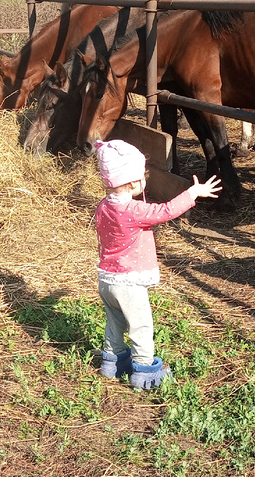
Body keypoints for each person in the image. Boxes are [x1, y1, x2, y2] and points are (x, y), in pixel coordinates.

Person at [94, 139, 221, 389]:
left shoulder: (103, 206)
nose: (145, 179)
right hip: (129, 282)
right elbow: (165, 211)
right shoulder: (133, 210)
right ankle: (144, 372)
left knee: (114, 322)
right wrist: (192, 193)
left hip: (106, 279)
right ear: (132, 182)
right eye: (142, 175)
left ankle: (112, 364)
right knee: (141, 325)